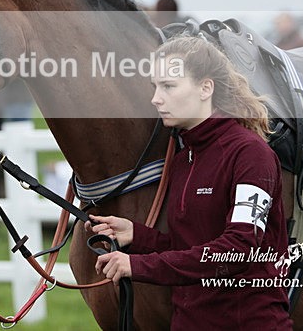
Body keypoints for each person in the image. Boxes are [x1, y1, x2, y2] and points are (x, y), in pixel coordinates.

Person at [86, 36, 292, 330]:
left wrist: (137, 265)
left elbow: (239, 248)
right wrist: (138, 235)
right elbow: (191, 247)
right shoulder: (184, 159)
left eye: (168, 86)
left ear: (206, 88)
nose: (156, 99)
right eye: (155, 87)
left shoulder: (250, 154)